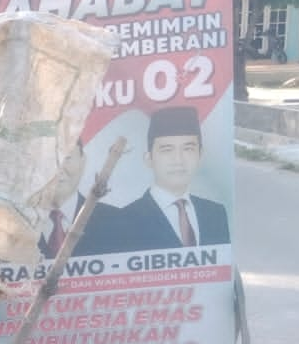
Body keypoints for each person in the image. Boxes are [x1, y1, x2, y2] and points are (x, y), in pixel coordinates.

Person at [75, 106, 230, 255]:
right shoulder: (125, 220)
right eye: (167, 150)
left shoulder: (215, 214)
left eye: (188, 149)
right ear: (149, 159)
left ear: (200, 155)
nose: (178, 159)